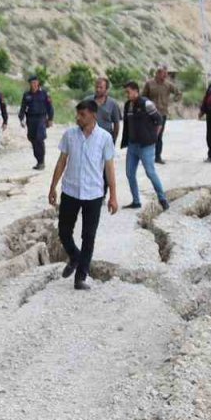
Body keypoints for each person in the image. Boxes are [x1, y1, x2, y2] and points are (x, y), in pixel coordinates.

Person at [48, 100, 119, 290]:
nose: (78, 118)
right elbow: (61, 161)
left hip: (94, 193)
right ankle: (75, 257)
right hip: (70, 190)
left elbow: (110, 168)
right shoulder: (69, 135)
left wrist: (113, 195)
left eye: (83, 115)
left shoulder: (105, 138)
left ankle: (81, 276)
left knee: (88, 236)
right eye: (77, 114)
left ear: (93, 115)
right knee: (63, 231)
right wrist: (52, 186)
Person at [121, 81, 169, 210]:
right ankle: (136, 201)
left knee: (150, 172)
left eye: (128, 91)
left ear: (136, 91)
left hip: (146, 146)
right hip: (132, 146)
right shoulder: (127, 106)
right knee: (130, 173)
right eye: (126, 92)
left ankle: (162, 198)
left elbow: (159, 120)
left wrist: (154, 137)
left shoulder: (146, 104)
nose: (126, 94)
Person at [142, 66, 181, 164]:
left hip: (162, 114)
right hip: (150, 113)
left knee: (159, 136)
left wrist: (172, 101)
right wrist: (146, 105)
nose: (165, 76)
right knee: (148, 135)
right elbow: (143, 97)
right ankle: (147, 156)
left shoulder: (168, 85)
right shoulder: (149, 84)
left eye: (166, 74)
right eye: (163, 74)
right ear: (157, 74)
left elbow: (178, 93)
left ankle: (158, 157)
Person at [19, 74, 54, 170]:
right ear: (30, 84)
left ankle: (42, 161)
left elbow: (50, 107)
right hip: (30, 119)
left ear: (38, 83)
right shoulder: (27, 95)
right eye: (32, 83)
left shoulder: (44, 94)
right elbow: (22, 108)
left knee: (39, 138)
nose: (33, 84)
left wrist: (50, 119)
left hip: (41, 119)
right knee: (32, 139)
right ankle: (38, 161)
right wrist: (21, 118)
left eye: (35, 82)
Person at [90, 77, 122, 142]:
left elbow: (116, 125)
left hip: (106, 140)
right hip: (90, 138)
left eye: (101, 87)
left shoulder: (113, 104)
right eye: (96, 87)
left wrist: (113, 140)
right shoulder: (87, 101)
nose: (98, 89)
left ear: (106, 89)